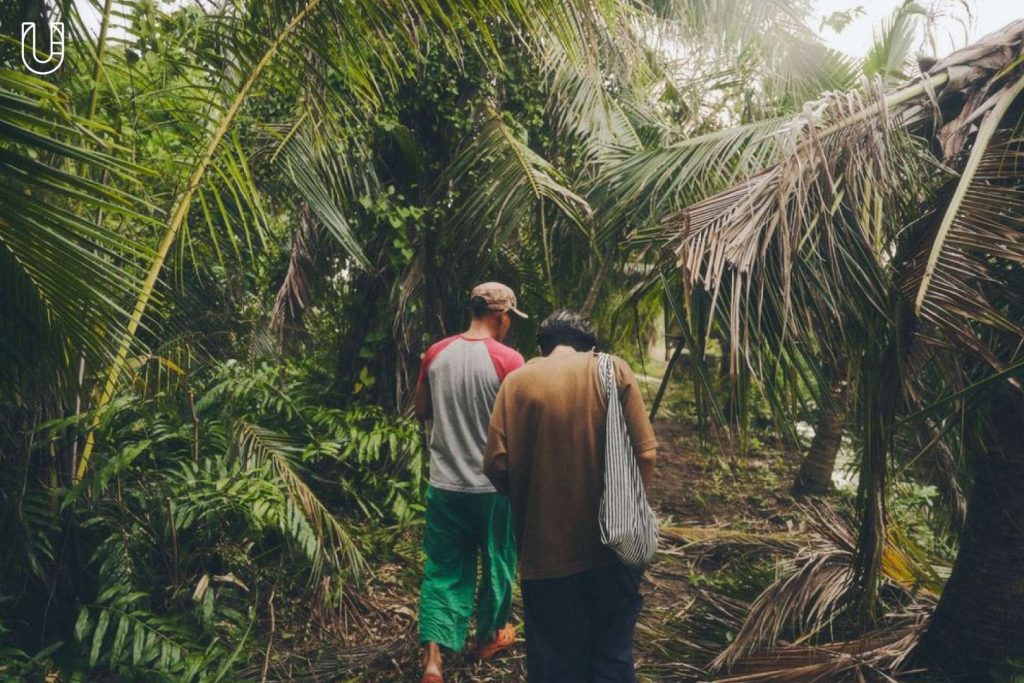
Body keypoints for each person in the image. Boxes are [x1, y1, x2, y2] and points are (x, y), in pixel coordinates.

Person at [483, 310, 658, 683]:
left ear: (542, 348)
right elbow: (646, 454)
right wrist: (631, 511)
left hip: (544, 558)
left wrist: (531, 501)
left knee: (554, 664)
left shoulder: (516, 383)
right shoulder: (612, 370)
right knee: (612, 656)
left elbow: (496, 464)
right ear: (590, 346)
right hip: (611, 550)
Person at [413, 282, 527, 683]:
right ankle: (487, 638)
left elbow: (421, 408)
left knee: (443, 568)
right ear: (500, 316)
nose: (509, 323)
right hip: (492, 488)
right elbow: (521, 424)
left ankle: (433, 660)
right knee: (497, 564)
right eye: (509, 316)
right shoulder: (510, 361)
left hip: (445, 484)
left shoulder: (436, 354)